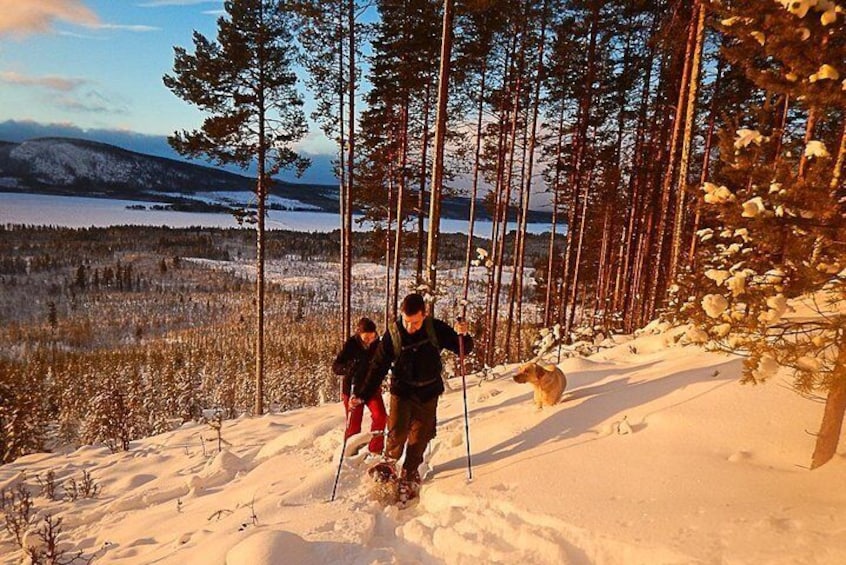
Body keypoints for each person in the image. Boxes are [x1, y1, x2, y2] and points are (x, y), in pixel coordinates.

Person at [351, 293, 472, 496]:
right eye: (407, 322)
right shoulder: (394, 334)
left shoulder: (436, 328)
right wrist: (362, 394)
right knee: (397, 430)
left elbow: (462, 349)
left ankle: (410, 470)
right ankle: (389, 463)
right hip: (402, 389)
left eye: (415, 323)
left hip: (429, 391)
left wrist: (463, 335)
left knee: (421, 434)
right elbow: (378, 366)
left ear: (424, 315)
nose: (410, 327)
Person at [333, 317, 387, 456]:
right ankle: (349, 453)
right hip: (353, 389)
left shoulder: (378, 345)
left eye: (372, 336)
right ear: (359, 334)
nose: (369, 340)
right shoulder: (352, 344)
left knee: (380, 416)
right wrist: (348, 368)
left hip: (371, 388)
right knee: (353, 424)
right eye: (366, 337)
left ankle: (375, 449)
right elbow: (336, 367)